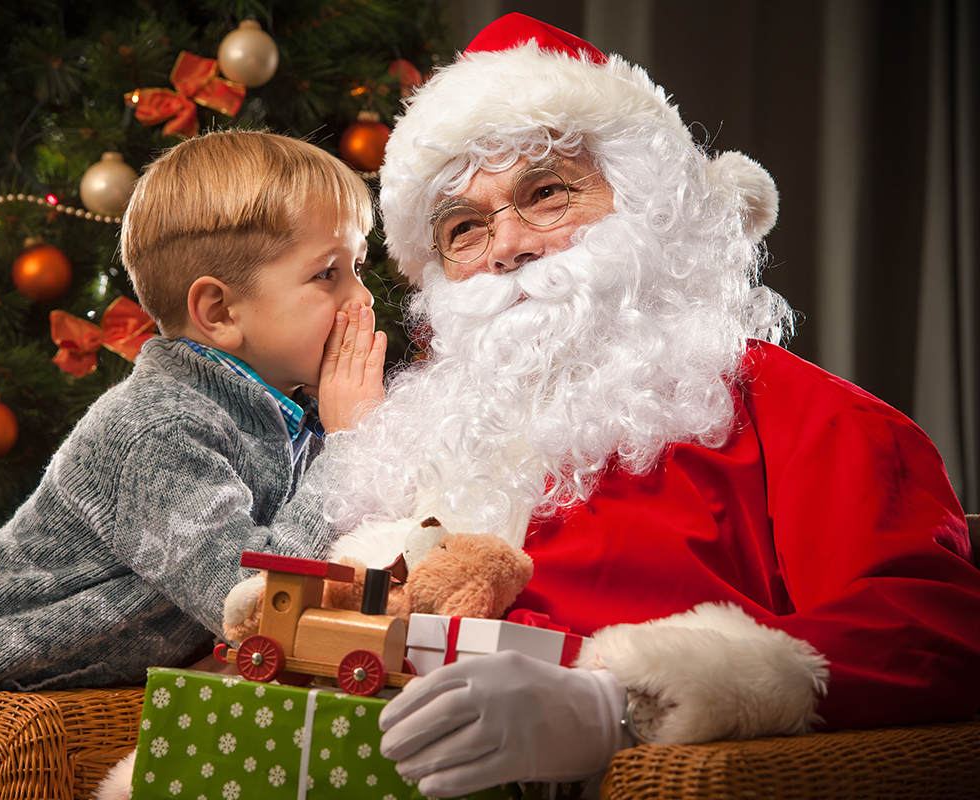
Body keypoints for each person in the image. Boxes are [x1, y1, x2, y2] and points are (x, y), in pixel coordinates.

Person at [315, 14, 980, 797]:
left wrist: (619, 705)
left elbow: (930, 628)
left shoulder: (809, 417)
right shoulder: (428, 434)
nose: (508, 246)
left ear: (650, 204)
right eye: (465, 228)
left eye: (548, 194)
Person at [0, 130, 387, 800]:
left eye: (359, 267)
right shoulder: (158, 426)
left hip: (2, 741)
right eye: (328, 274)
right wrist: (352, 444)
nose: (361, 300)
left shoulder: (290, 422)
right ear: (219, 311)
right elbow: (250, 603)